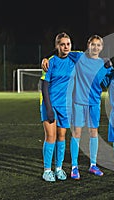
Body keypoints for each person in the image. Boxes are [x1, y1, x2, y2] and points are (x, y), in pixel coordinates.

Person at [70, 35, 114, 180]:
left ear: (101, 48)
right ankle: (74, 167)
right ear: (88, 45)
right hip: (78, 101)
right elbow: (62, 52)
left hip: (94, 102)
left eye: (98, 45)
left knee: (93, 133)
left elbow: (111, 80)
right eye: (93, 44)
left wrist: (112, 68)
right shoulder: (79, 57)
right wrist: (46, 58)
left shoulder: (104, 63)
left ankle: (93, 165)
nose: (95, 48)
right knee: (77, 133)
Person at [40, 32, 75, 182]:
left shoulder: (74, 59)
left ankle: (59, 168)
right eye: (62, 44)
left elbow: (91, 53)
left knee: (62, 137)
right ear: (57, 46)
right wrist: (48, 108)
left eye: (68, 44)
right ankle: (47, 170)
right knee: (51, 136)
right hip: (50, 104)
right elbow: (44, 86)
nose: (66, 46)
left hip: (65, 105)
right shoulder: (51, 62)